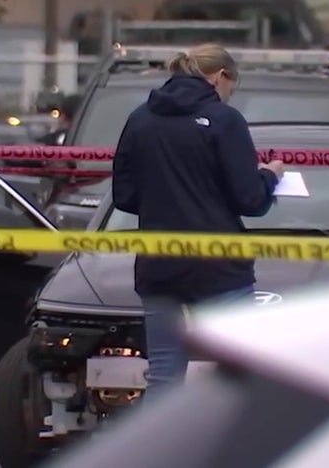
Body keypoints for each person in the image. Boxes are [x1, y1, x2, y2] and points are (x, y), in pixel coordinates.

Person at [111, 43, 284, 402]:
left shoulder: (140, 119)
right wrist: (270, 175)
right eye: (232, 86)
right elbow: (250, 200)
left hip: (159, 263)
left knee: (163, 375)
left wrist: (165, 199)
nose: (230, 95)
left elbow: (124, 196)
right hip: (219, 267)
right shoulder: (225, 120)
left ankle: (162, 440)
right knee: (237, 375)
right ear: (220, 77)